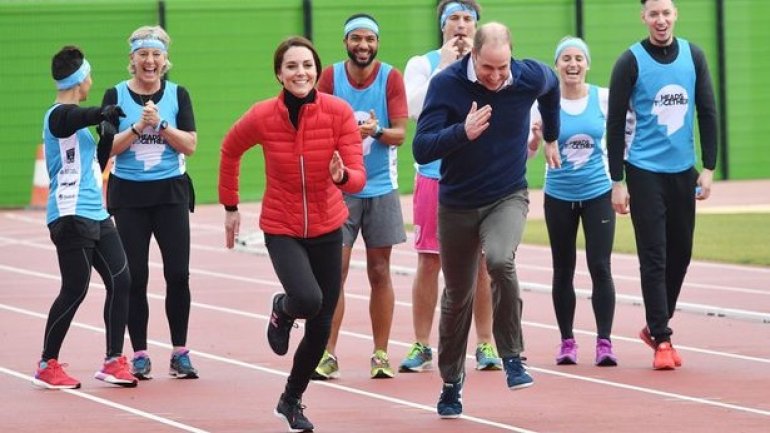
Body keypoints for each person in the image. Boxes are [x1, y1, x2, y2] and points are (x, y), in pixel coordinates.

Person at [413, 22, 560, 418]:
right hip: (457, 202)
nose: (496, 77)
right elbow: (422, 146)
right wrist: (461, 132)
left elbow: (552, 89)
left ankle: (512, 356)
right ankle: (450, 383)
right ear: (472, 56)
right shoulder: (446, 85)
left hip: (507, 196)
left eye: (502, 67)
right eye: (487, 69)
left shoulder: (528, 74)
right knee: (457, 296)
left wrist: (552, 135)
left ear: (512, 55)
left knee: (499, 259)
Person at [219, 36, 365, 433]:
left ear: (316, 70)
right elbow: (230, 149)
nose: (300, 73)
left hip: (327, 225)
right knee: (307, 299)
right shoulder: (263, 115)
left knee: (321, 325)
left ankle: (291, 399)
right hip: (282, 226)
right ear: (279, 75)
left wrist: (343, 176)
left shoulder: (338, 113)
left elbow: (357, 174)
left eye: (307, 65)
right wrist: (230, 207)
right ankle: (283, 308)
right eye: (291, 67)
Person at [606, 0, 717, 370]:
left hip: (683, 170)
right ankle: (663, 338)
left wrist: (709, 167)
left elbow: (707, 111)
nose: (661, 20)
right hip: (643, 170)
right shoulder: (630, 61)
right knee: (654, 254)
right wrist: (617, 180)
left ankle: (656, 323)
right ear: (643, 17)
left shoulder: (694, 56)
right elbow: (615, 122)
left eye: (666, 12)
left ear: (676, 14)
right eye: (653, 13)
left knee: (681, 252)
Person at [400, 0, 502, 373]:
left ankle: (486, 343)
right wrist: (444, 64)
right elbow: (413, 107)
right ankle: (422, 345)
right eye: (454, 19)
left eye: (467, 19)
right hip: (434, 174)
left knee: (482, 263)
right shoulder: (422, 64)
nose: (461, 26)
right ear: (442, 25)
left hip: (478, 175)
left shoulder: (488, 64)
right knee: (429, 260)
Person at [33, 45, 137, 389]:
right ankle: (47, 363)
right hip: (69, 214)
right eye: (89, 75)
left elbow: (98, 161)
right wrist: (100, 113)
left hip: (96, 213)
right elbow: (69, 118)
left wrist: (109, 133)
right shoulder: (58, 115)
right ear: (81, 80)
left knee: (121, 280)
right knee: (75, 288)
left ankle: (113, 360)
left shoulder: (78, 120)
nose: (92, 80)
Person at [313, 13, 409, 380]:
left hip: (381, 188)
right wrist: (345, 132)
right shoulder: (331, 77)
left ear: (377, 43)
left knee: (380, 271)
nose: (363, 45)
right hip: (339, 190)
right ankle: (328, 353)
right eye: (356, 38)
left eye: (369, 39)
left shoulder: (391, 77)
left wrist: (377, 129)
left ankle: (380, 354)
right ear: (345, 42)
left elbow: (401, 134)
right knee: (333, 273)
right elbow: (315, 121)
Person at [101, 25, 199, 380]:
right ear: (132, 60)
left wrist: (162, 125)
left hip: (170, 194)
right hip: (129, 196)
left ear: (164, 60)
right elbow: (107, 149)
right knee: (134, 277)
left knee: (178, 274)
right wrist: (139, 129)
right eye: (143, 54)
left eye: (156, 54)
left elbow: (190, 144)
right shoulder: (115, 95)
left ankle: (180, 351)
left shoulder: (178, 94)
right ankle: (139, 353)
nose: (150, 61)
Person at [529, 37, 619, 367]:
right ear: (556, 66)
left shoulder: (603, 98)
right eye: (565, 58)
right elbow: (528, 151)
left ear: (587, 64)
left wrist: (621, 182)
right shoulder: (542, 104)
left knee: (600, 266)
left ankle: (604, 342)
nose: (572, 64)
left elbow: (624, 136)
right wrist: (536, 140)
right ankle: (567, 342)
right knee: (563, 268)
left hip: (598, 192)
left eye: (578, 58)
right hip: (558, 195)